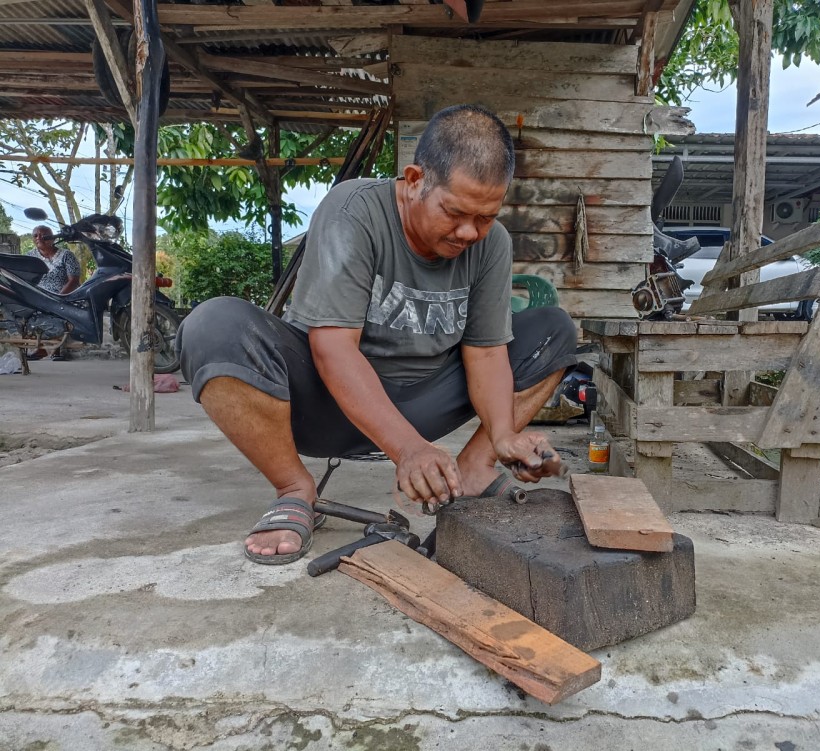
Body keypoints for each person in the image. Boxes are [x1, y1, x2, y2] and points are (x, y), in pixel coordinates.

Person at [176, 104, 578, 565]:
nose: (470, 231)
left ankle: (475, 469)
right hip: (323, 401)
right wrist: (407, 450)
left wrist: (504, 434)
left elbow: (486, 355)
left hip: (426, 400)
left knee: (554, 331)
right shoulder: (354, 210)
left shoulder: (492, 244)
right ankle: (294, 488)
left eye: (485, 217)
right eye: (455, 212)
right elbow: (331, 348)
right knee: (212, 326)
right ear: (414, 180)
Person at [26, 225, 81, 361]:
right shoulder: (30, 257)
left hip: (63, 294)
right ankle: (41, 349)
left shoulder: (66, 255)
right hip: (39, 296)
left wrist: (58, 298)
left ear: (52, 238)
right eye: (35, 235)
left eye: (44, 235)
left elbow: (73, 280)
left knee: (56, 312)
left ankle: (57, 349)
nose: (39, 238)